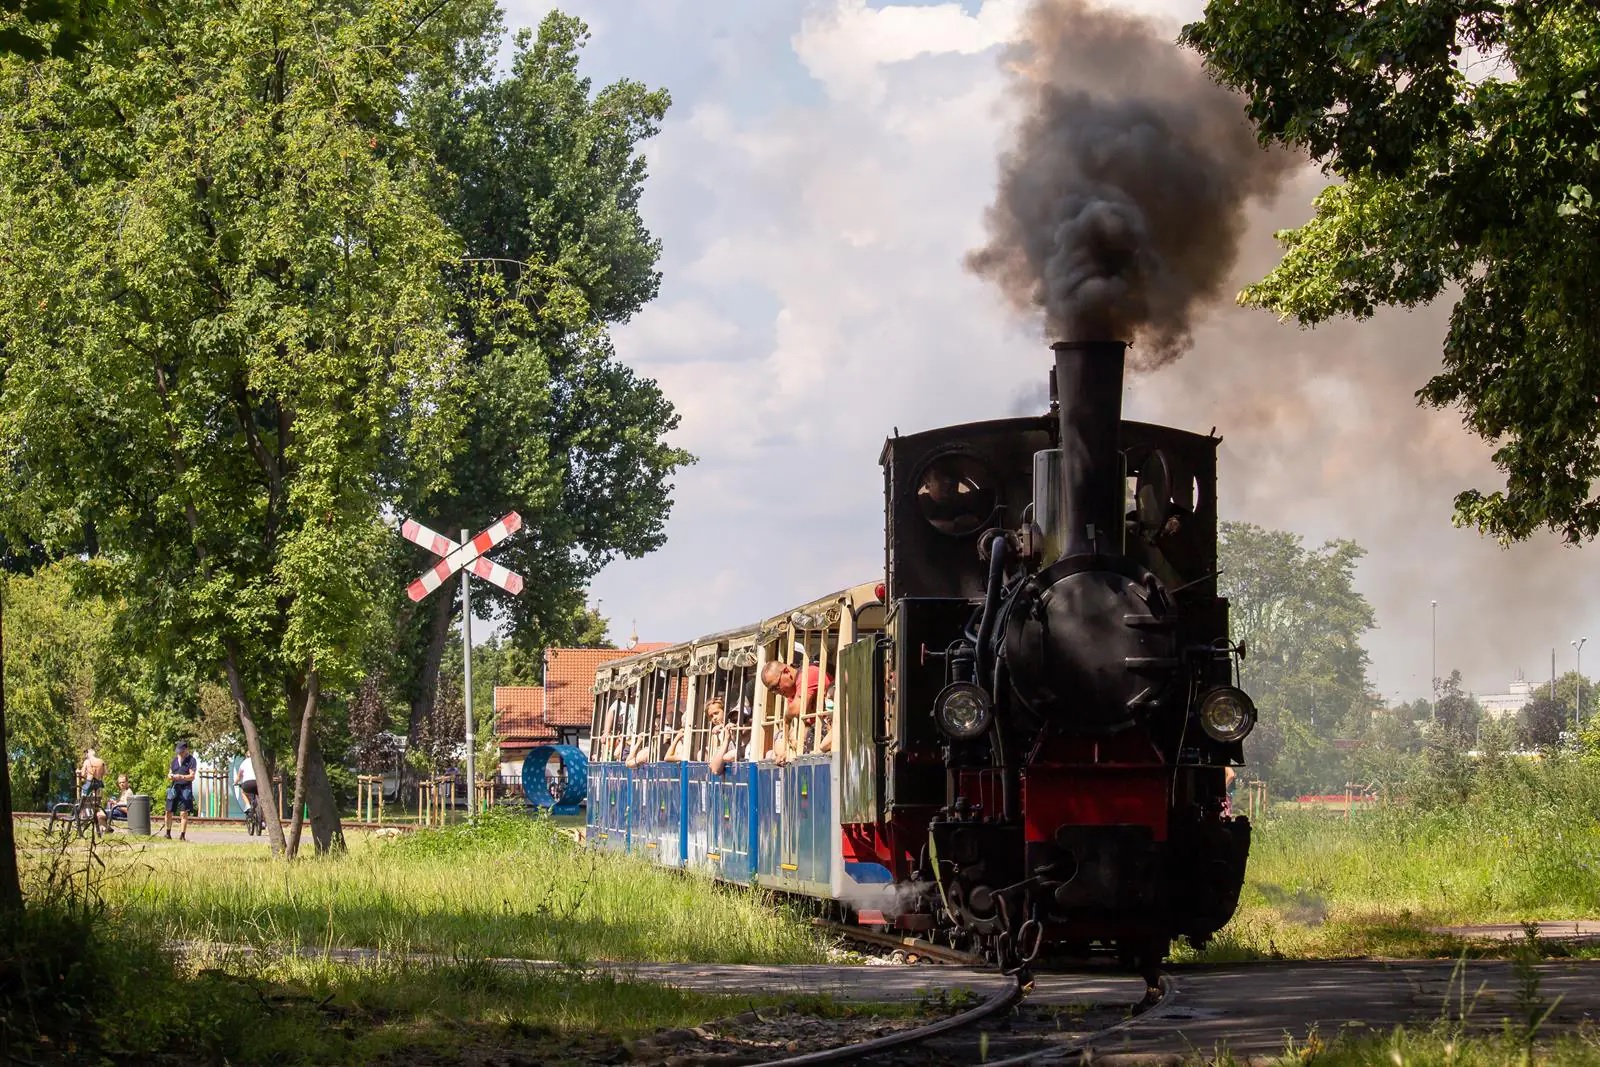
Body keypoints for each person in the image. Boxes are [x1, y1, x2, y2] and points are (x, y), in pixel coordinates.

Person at [163, 740, 198, 841]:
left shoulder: (191, 760)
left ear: (186, 749)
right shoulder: (174, 761)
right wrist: (171, 776)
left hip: (185, 788)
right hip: (174, 788)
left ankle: (182, 835)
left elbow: (192, 776)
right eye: (178, 751)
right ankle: (168, 833)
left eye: (182, 751)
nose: (180, 753)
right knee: (168, 811)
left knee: (183, 813)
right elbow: (170, 773)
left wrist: (181, 777)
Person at [234, 753, 259, 820]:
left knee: (243, 792)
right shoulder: (258, 761)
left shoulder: (244, 763)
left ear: (246, 756)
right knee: (259, 795)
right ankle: (261, 819)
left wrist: (235, 783)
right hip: (257, 783)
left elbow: (239, 776)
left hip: (247, 784)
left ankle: (248, 805)